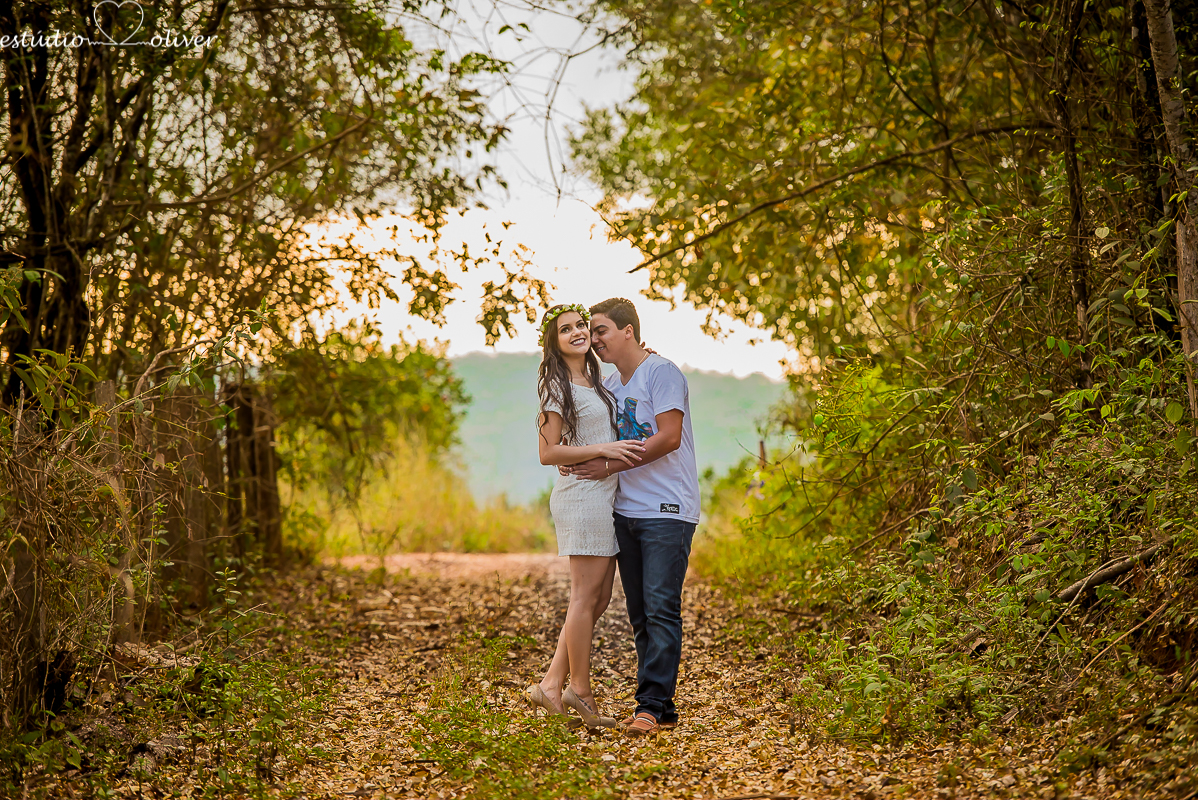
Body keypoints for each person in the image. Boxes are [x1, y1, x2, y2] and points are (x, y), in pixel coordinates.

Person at [566, 297, 701, 738]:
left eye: (601, 330)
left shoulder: (661, 373)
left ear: (628, 331)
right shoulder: (615, 386)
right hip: (626, 512)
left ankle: (649, 705)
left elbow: (668, 437)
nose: (595, 339)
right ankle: (661, 707)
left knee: (662, 608)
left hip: (667, 511)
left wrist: (609, 466)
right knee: (641, 613)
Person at [526, 303, 647, 731]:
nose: (579, 333)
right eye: (568, 330)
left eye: (583, 326)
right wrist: (604, 450)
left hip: (604, 494)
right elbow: (547, 452)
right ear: (554, 343)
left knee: (597, 600)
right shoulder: (556, 387)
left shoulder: (595, 380)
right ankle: (581, 689)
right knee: (584, 598)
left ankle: (551, 683)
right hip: (582, 495)